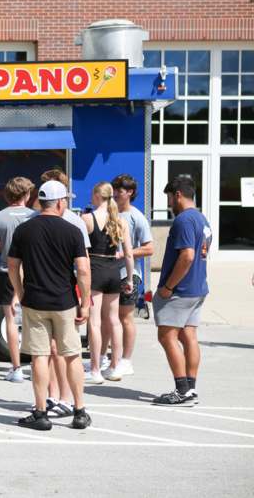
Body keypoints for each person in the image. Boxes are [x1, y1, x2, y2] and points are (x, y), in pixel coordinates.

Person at [8, 180, 92, 431]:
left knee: (39, 357)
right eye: (65, 200)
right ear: (59, 202)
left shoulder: (24, 230)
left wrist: (20, 293)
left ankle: (41, 412)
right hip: (65, 301)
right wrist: (85, 304)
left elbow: (13, 266)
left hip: (34, 300)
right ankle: (79, 411)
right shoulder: (72, 230)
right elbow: (84, 270)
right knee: (72, 355)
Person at [152, 176, 211, 406]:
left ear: (178, 195)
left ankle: (182, 389)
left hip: (181, 290)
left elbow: (187, 255)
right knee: (189, 336)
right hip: (197, 288)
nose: (169, 203)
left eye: (169, 198)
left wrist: (168, 287)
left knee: (166, 336)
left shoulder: (184, 220)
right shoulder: (202, 219)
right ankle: (191, 388)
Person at [36, 169, 90, 417]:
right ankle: (53, 396)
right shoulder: (36, 222)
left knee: (64, 351)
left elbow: (84, 266)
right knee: (49, 351)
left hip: (67, 292)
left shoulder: (75, 222)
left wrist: (84, 301)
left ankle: (66, 398)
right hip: (49, 294)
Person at [81, 182, 134, 383]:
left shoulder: (87, 219)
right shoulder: (120, 221)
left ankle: (95, 369)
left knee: (94, 322)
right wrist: (128, 278)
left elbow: (80, 253)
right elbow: (128, 254)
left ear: (96, 195)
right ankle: (114, 367)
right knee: (114, 320)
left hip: (95, 271)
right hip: (114, 271)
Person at [0, 176, 36, 383]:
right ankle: (37, 365)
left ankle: (16, 369)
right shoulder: (36, 216)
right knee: (35, 321)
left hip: (7, 273)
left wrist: (1, 246)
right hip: (33, 273)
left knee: (11, 321)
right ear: (26, 194)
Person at [106, 174, 154, 377]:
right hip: (107, 273)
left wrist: (126, 253)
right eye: (114, 189)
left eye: (120, 190)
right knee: (108, 317)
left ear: (130, 193)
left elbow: (149, 248)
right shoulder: (109, 214)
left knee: (125, 317)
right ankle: (110, 358)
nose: (116, 193)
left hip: (129, 274)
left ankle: (126, 360)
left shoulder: (136, 217)